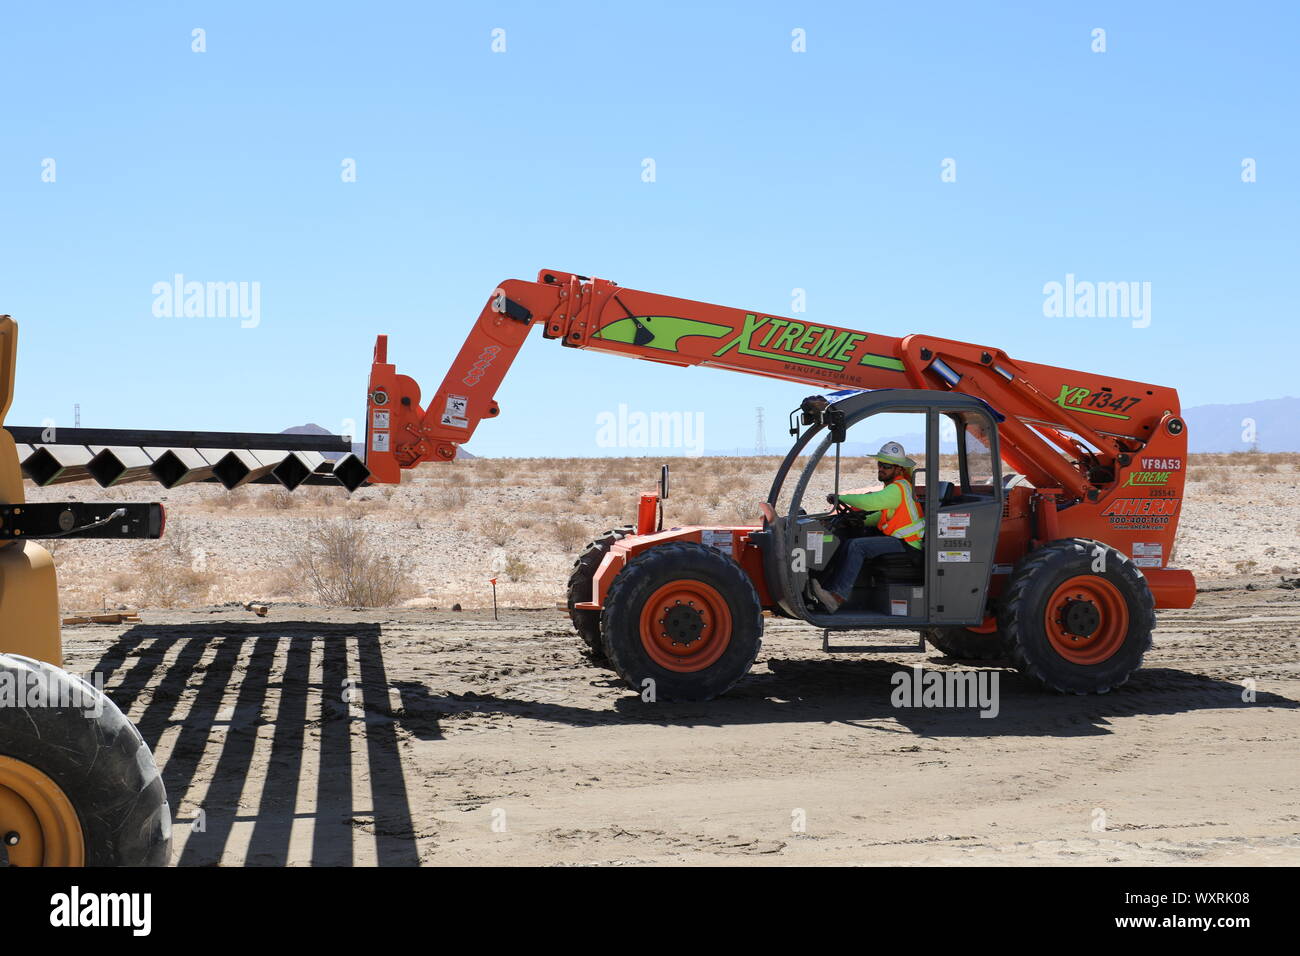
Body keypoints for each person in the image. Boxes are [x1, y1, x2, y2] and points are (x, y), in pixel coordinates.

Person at [809, 442, 924, 612]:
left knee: (856, 546)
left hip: (909, 544)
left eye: (886, 466)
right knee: (851, 542)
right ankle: (827, 591)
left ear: (899, 469)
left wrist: (842, 497)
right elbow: (881, 515)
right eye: (879, 464)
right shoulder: (896, 487)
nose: (881, 469)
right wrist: (859, 521)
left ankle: (836, 598)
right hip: (901, 540)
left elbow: (871, 502)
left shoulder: (898, 488)